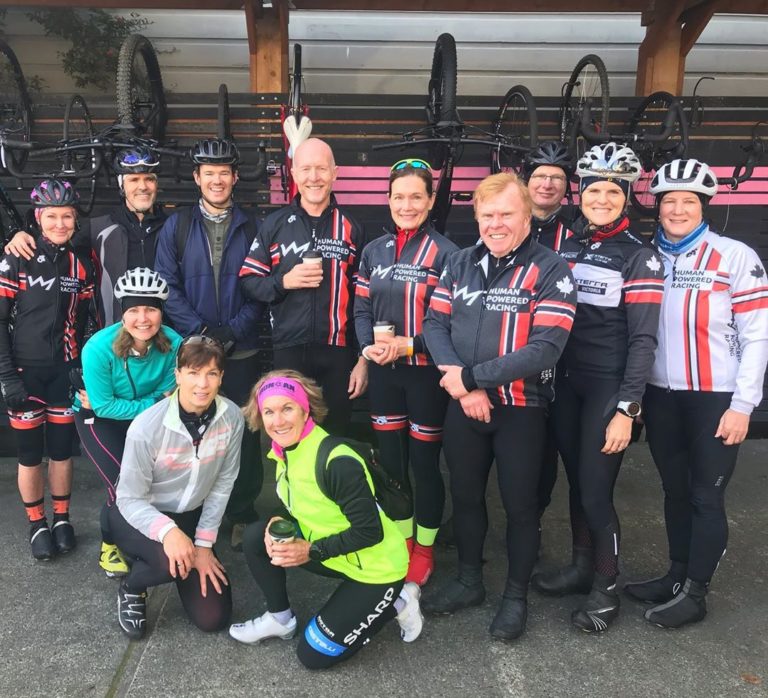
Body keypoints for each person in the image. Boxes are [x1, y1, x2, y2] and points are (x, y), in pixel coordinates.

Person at [421, 172, 577, 641]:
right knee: (465, 497)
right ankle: (470, 580)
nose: (496, 223)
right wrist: (464, 389)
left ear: (527, 215)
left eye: (506, 214)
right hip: (464, 406)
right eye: (487, 215)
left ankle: (515, 597)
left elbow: (545, 349)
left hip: (521, 410)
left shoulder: (552, 270)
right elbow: (434, 325)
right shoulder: (460, 262)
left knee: (521, 507)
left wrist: (471, 379)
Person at [623, 159, 768, 628]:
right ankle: (676, 575)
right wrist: (638, 395)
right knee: (674, 491)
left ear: (703, 206)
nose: (678, 209)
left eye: (688, 201)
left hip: (715, 398)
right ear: (658, 207)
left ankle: (696, 594)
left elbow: (758, 335)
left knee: (706, 496)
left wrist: (743, 405)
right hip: (662, 397)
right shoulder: (647, 257)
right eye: (670, 201)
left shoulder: (734, 255)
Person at [531, 143, 664, 633]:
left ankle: (606, 590)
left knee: (596, 491)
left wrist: (628, 409)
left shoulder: (640, 257)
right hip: (567, 382)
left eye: (613, 191)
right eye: (594, 190)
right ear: (580, 194)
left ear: (626, 198)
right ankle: (582, 566)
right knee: (578, 482)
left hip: (608, 387)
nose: (602, 198)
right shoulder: (568, 246)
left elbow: (645, 338)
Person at [229, 370, 422, 669]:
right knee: (257, 536)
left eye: (287, 408)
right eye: (269, 411)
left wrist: (308, 551)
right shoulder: (284, 450)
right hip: (336, 554)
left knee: (313, 655)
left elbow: (370, 532)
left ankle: (399, 601)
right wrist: (280, 521)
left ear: (306, 410)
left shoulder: (337, 461)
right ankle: (280, 619)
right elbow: (304, 504)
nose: (277, 421)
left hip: (376, 568)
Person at [154, 137, 265, 546]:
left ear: (235, 177)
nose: (217, 180)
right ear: (198, 178)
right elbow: (167, 284)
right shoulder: (177, 225)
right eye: (209, 173)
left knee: (245, 433)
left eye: (224, 173)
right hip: (196, 351)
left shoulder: (254, 224)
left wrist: (232, 331)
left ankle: (241, 510)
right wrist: (202, 332)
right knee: (195, 432)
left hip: (243, 346)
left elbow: (262, 285)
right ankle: (196, 509)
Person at [354, 157, 458, 586]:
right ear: (389, 200)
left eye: (417, 196)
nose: (407, 204)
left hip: (425, 375)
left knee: (425, 464)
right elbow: (360, 307)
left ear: (431, 201)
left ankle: (425, 547)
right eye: (399, 197)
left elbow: (454, 323)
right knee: (392, 465)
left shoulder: (449, 253)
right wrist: (366, 347)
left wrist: (410, 345)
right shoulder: (373, 251)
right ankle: (400, 539)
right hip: (384, 375)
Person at [110, 336, 243, 639]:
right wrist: (169, 533)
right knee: (168, 563)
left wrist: (204, 545)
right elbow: (129, 498)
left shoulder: (232, 417)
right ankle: (132, 586)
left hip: (190, 514)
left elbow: (224, 482)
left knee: (213, 618)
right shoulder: (146, 427)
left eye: (211, 373)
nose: (202, 384)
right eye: (194, 373)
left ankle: (170, 554)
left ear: (221, 377)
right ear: (178, 374)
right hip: (138, 513)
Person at [239, 138, 368, 435]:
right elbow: (248, 281)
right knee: (290, 435)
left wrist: (363, 357)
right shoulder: (274, 224)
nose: (314, 177)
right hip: (288, 350)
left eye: (321, 169)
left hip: (337, 353)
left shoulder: (352, 227)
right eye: (306, 169)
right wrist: (283, 282)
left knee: (335, 435)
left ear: (335, 173)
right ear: (294, 173)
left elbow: (365, 300)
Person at [0, 179, 94, 560]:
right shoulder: (15, 257)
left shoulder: (81, 265)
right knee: (28, 454)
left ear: (75, 220)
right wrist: (6, 375)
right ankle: (36, 523)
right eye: (51, 216)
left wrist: (81, 366)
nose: (59, 223)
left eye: (66, 216)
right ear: (38, 218)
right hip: (24, 373)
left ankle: (61, 518)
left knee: (61, 452)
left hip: (63, 373)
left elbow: (88, 322)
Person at [74, 268, 182, 578]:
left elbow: (172, 396)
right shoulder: (97, 348)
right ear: (123, 313)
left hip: (144, 418)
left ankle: (147, 535)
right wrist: (155, 401)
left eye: (150, 308)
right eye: (133, 309)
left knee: (153, 481)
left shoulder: (175, 344)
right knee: (122, 484)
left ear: (161, 311)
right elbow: (104, 406)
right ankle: (110, 545)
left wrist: (157, 401)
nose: (143, 318)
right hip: (98, 419)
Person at [4, 147, 166, 327]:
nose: (142, 186)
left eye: (149, 179)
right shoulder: (98, 227)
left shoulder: (176, 227)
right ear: (122, 185)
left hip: (167, 335)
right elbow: (55, 238)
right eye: (134, 179)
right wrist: (20, 234)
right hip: (113, 337)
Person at [521, 141, 578, 522]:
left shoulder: (578, 232)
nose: (547, 184)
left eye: (556, 178)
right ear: (526, 182)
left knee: (546, 451)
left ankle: (534, 522)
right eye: (540, 176)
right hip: (506, 358)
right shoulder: (506, 224)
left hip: (561, 359)